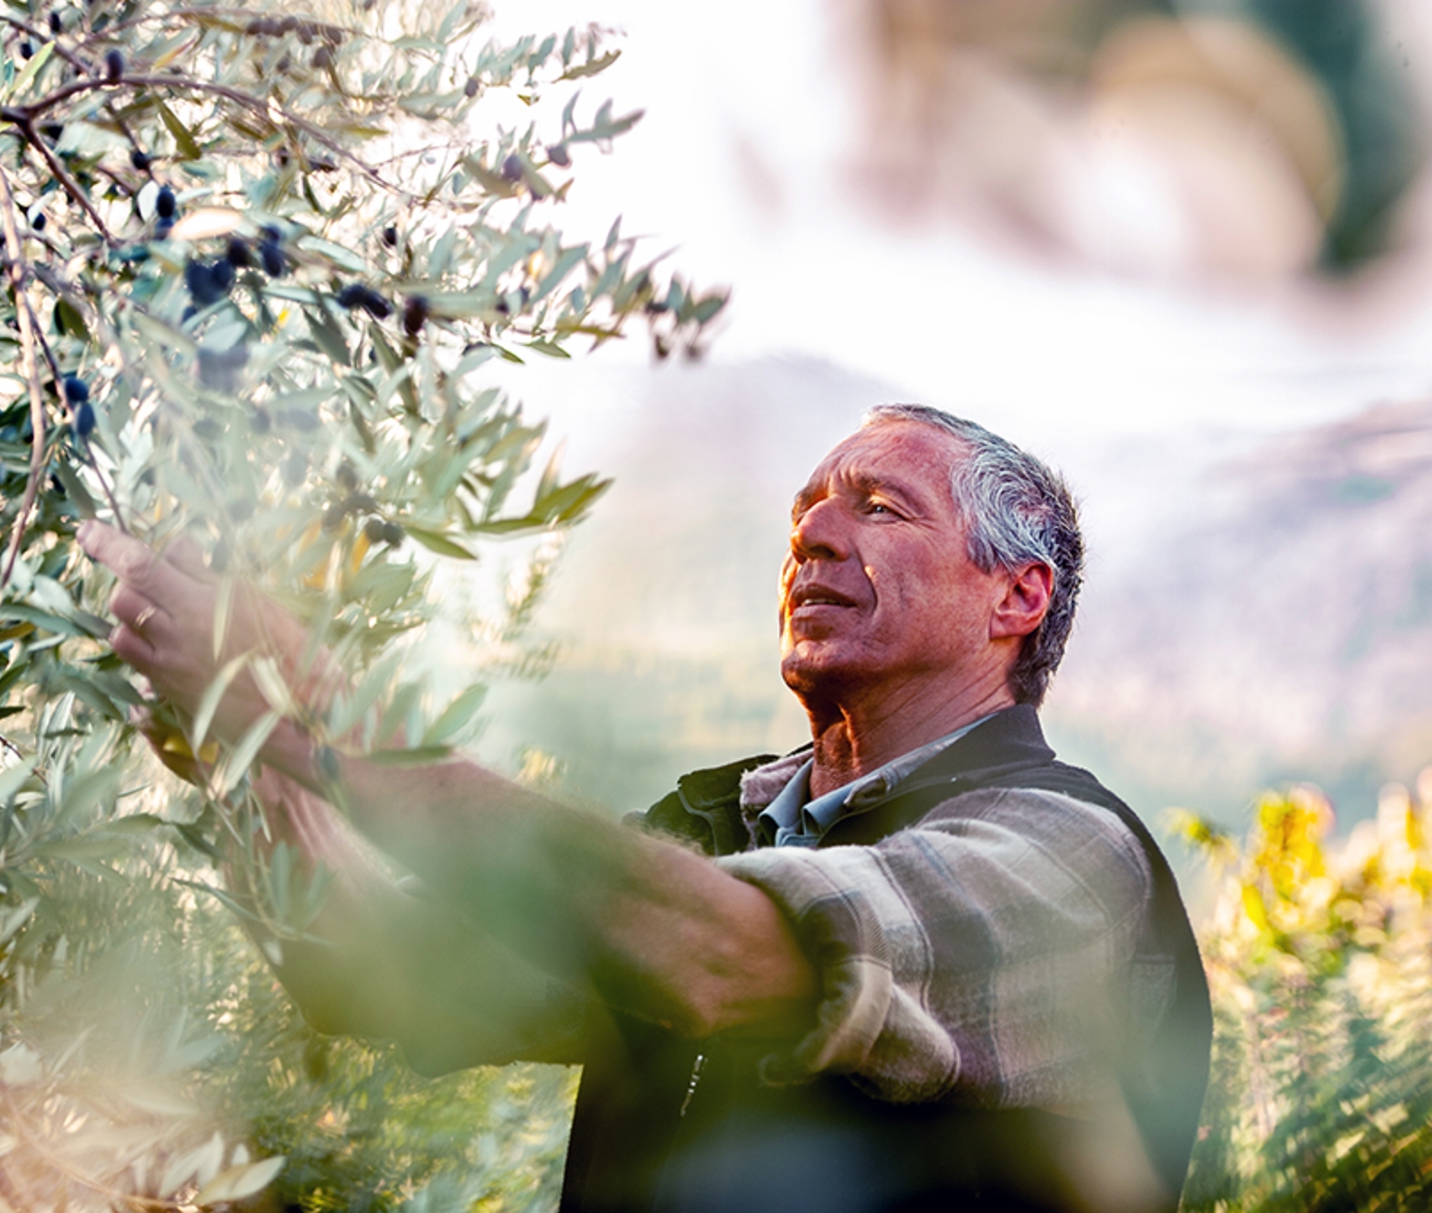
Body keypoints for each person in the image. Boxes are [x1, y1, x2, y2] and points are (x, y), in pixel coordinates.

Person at [79, 404, 1212, 1213]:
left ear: (1017, 595)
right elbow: (380, 970)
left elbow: (733, 954)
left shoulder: (1066, 855)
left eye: (880, 507)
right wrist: (245, 741)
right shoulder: (721, 820)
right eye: (808, 509)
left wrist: (332, 715)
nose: (814, 533)